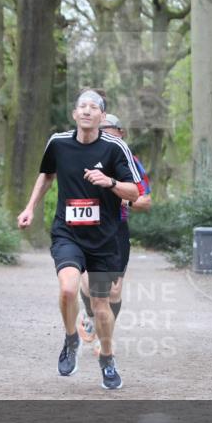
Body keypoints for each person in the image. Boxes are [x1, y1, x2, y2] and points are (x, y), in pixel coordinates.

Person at [17, 89, 140, 390]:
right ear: (74, 114)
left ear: (101, 115)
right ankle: (71, 338)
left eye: (93, 107)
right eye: (81, 106)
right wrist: (30, 207)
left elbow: (134, 192)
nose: (86, 111)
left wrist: (109, 182)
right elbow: (46, 176)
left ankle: (107, 359)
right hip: (68, 232)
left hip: (104, 239)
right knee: (68, 289)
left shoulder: (114, 148)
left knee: (100, 305)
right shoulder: (58, 143)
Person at [77, 114, 152, 352]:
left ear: (121, 133)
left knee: (114, 289)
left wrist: (125, 202)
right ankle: (90, 317)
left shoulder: (130, 161)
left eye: (108, 130)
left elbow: (146, 200)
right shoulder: (80, 155)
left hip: (116, 229)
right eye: (100, 129)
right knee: (89, 282)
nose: (103, 134)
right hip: (87, 226)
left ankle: (104, 337)